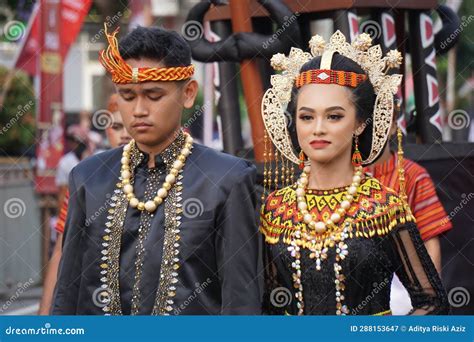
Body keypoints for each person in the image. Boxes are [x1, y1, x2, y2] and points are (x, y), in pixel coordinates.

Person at [51, 25, 261, 315]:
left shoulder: (227, 179)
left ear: (188, 93)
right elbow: (67, 292)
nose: (138, 110)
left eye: (153, 95)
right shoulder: (88, 178)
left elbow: (241, 300)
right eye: (127, 96)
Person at [259, 31, 449, 315]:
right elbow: (269, 305)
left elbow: (432, 302)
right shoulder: (276, 209)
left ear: (360, 123)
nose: (318, 128)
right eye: (306, 116)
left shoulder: (384, 207)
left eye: (334, 116)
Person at [38, 95, 132, 315]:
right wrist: (43, 319)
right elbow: (62, 250)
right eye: (117, 126)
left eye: (129, 125)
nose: (125, 134)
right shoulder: (87, 178)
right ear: (106, 130)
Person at [364, 101, 452, 314]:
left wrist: (429, 297)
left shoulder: (413, 175)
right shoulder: (343, 175)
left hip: (402, 287)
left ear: (394, 126)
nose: (375, 128)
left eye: (383, 120)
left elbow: (429, 240)